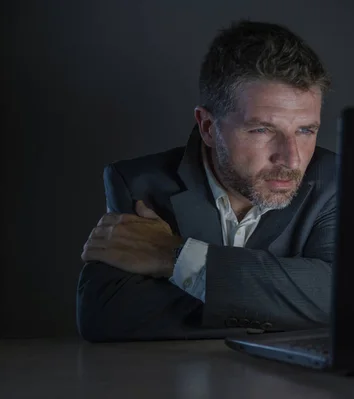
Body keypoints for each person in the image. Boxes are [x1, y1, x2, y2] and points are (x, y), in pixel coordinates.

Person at [76, 20, 337, 342]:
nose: (292, 159)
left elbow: (344, 298)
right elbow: (109, 316)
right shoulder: (140, 184)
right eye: (262, 130)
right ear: (208, 127)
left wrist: (173, 256)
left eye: (306, 130)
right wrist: (289, 309)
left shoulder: (336, 181)